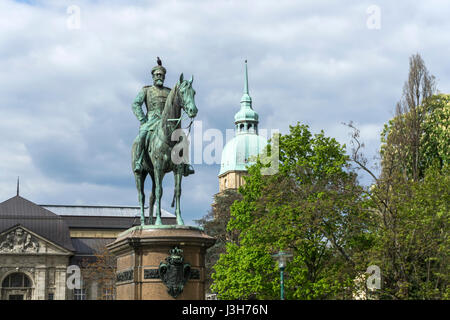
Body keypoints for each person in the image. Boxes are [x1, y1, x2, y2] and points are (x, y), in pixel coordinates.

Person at [132, 57, 171, 173]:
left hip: (165, 122)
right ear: (153, 76)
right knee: (142, 136)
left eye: (161, 75)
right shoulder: (146, 90)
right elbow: (135, 104)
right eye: (157, 75)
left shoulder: (169, 92)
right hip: (150, 121)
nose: (159, 77)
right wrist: (143, 119)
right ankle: (139, 161)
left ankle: (184, 164)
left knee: (181, 137)